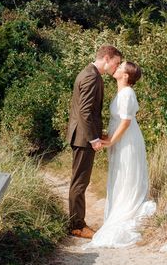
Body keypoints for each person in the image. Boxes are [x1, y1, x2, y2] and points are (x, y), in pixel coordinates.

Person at [83, 61, 156, 249]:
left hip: (127, 140)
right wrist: (107, 136)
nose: (116, 68)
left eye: (121, 66)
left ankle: (126, 211)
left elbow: (125, 122)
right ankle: (119, 209)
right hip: (119, 139)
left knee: (126, 175)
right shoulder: (121, 93)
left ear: (125, 75)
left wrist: (112, 141)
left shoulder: (127, 93)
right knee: (119, 175)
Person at [66, 45, 122, 238]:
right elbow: (85, 111)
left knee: (80, 181)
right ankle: (76, 225)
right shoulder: (91, 76)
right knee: (79, 182)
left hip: (83, 135)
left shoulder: (89, 73)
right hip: (83, 137)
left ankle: (76, 222)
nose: (116, 67)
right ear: (106, 58)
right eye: (116, 63)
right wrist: (94, 138)